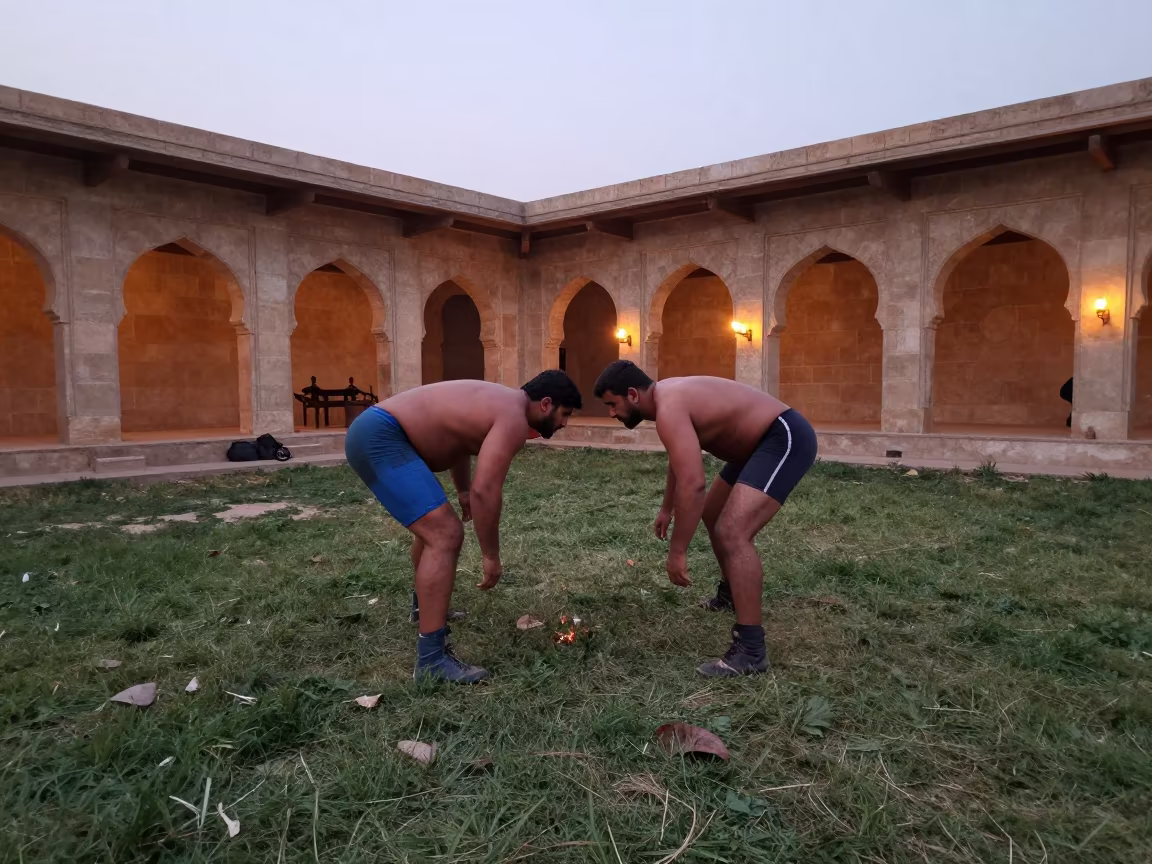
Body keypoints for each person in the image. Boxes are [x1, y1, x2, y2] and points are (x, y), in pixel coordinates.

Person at [344, 371, 582, 683]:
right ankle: (431, 661)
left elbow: (460, 441)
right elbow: (488, 490)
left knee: (434, 527)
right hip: (381, 436)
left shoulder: (500, 405)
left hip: (379, 432)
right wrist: (491, 556)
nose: (564, 423)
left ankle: (424, 610)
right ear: (546, 404)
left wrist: (463, 490)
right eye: (564, 414)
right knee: (444, 533)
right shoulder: (511, 416)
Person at [593, 360, 818, 677]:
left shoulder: (670, 406)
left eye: (612, 405)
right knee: (714, 514)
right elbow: (680, 459)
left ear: (632, 394)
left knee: (733, 532)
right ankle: (730, 594)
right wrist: (667, 507)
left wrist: (678, 551)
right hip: (752, 449)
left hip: (782, 436)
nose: (611, 414)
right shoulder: (666, 400)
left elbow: (694, 483)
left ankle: (751, 650)